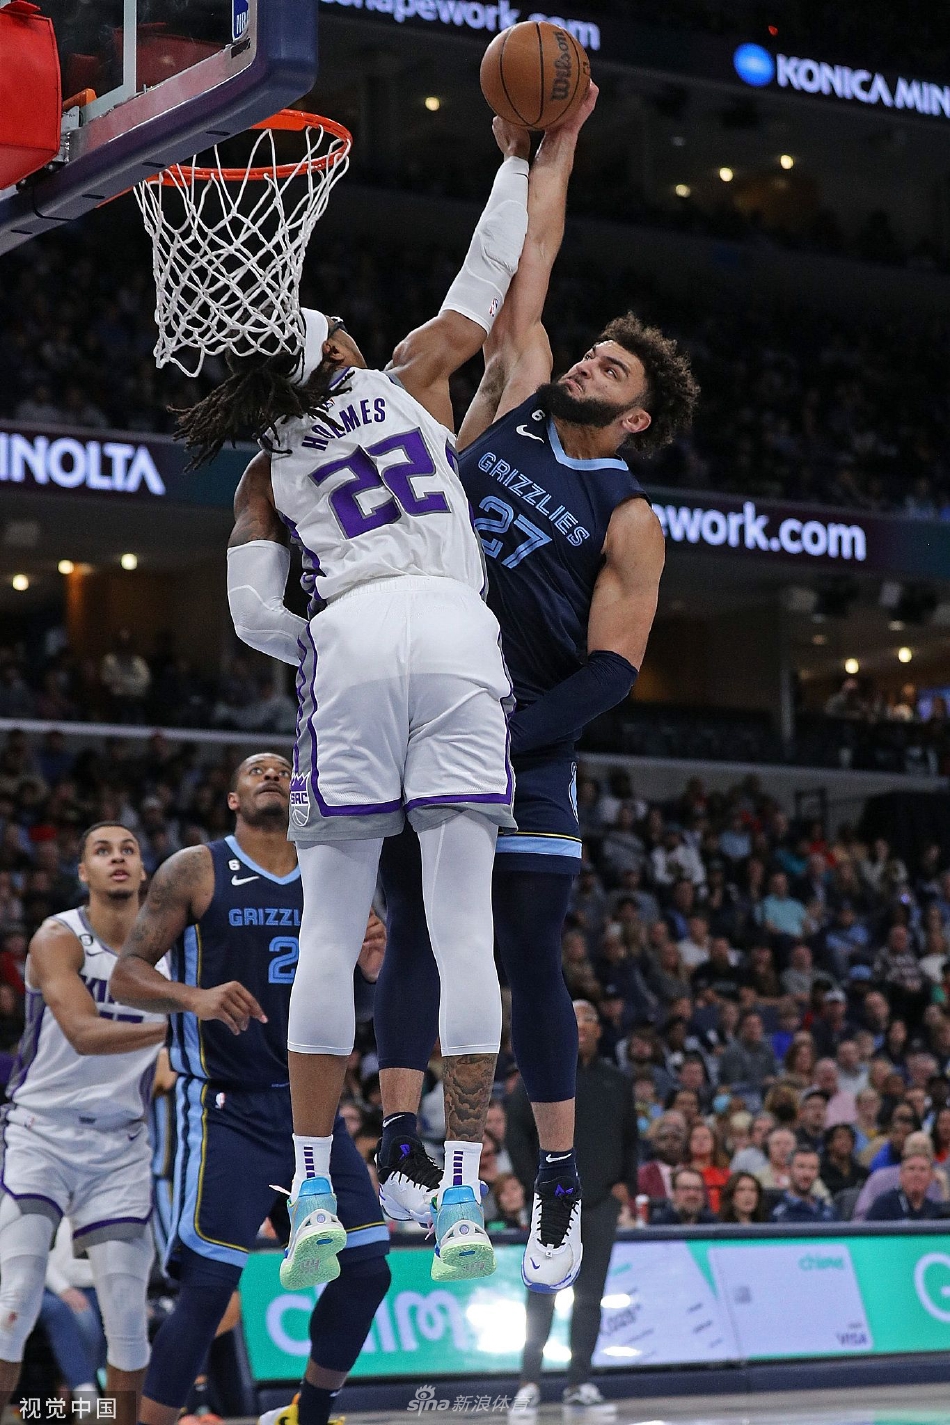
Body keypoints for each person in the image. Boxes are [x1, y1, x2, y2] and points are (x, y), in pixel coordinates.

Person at [202, 118, 541, 1288]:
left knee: (329, 933)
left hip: (348, 637)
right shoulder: (406, 376)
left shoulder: (263, 468)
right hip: (451, 630)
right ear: (337, 346)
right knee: (459, 929)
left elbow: (252, 613)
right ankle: (461, 1197)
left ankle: (309, 1186)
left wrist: (323, 643)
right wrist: (515, 158)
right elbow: (484, 277)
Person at [371, 87, 699, 1296]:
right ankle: (399, 1144)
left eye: (612, 366)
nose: (590, 360)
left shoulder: (628, 515)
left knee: (524, 955)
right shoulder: (513, 398)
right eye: (593, 349)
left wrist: (507, 738)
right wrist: (545, 147)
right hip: (421, 709)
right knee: (409, 926)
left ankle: (555, 1181)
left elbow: (612, 666)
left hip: (523, 742)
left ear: (635, 416)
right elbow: (532, 259)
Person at [110, 755, 391, 1425]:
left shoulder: (335, 871)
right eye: (255, 770)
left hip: (312, 1112)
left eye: (283, 769)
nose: (271, 774)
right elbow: (126, 975)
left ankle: (308, 1414)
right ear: (233, 799)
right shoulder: (195, 868)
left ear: (301, 793)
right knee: (209, 1287)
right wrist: (194, 997)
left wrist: (376, 965)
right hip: (226, 1109)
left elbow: (376, 982)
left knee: (369, 1268)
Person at [0, 823, 167, 1425]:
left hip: (121, 1143)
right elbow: (83, 1032)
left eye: (128, 849)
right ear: (84, 872)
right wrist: (182, 1021)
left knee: (127, 1319)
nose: (117, 858)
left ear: (144, 871)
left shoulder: (170, 955)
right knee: (14, 1301)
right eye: (102, 850)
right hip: (40, 1131)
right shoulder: (58, 936)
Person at [506, 1000, 637, 1415]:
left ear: (600, 1029)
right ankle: (529, 1381)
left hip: (600, 1203)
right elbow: (515, 1135)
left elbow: (631, 1138)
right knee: (542, 1292)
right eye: (574, 1018)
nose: (582, 1025)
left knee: (590, 1297)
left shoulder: (618, 1081)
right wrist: (534, 1186)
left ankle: (580, 1380)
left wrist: (625, 1185)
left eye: (590, 1018)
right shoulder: (539, 1075)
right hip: (552, 1202)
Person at [865, 1148, 945, 1221]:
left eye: (922, 1169)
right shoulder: (883, 1205)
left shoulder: (936, 1211)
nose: (916, 1174)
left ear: (931, 1177)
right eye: (911, 1168)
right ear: (901, 1175)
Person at [769, 1148, 837, 1224]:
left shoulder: (828, 1210)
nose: (807, 1174)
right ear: (788, 1169)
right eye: (801, 1167)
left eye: (812, 1168)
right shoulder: (780, 1215)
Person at [637, 1114, 687, 1200]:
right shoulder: (643, 1175)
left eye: (676, 1138)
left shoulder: (692, 1174)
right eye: (664, 1138)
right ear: (655, 1144)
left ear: (684, 1144)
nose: (670, 1143)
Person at [687, 1121, 730, 1214]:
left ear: (714, 1142)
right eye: (695, 1138)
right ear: (688, 1143)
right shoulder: (681, 1174)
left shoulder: (726, 1175)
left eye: (705, 1137)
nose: (700, 1141)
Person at [651, 1168, 717, 1225]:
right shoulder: (658, 1226)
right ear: (674, 1192)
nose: (692, 1194)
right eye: (686, 1188)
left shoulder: (713, 1224)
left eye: (697, 1189)